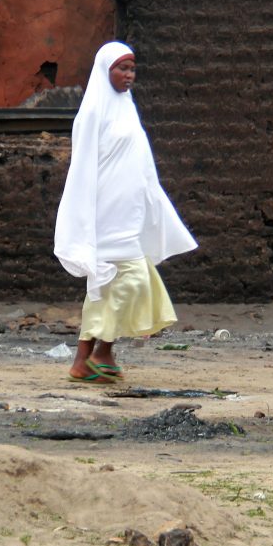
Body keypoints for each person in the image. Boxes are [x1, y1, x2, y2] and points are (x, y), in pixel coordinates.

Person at [53, 41, 197, 383]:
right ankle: (103, 350)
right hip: (105, 214)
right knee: (131, 279)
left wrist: (151, 203)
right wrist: (83, 217)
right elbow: (83, 168)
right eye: (122, 68)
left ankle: (82, 360)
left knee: (105, 286)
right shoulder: (92, 112)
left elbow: (140, 162)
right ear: (105, 70)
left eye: (132, 69)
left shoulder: (126, 107)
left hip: (128, 213)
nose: (129, 75)